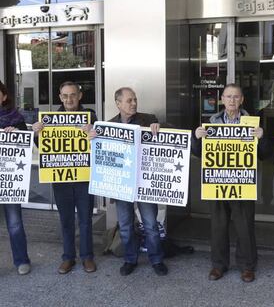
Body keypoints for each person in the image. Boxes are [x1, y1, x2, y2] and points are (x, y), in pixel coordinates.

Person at [192, 83, 271, 282]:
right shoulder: (211, 122)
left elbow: (265, 155)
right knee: (218, 227)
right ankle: (219, 265)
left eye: (236, 97)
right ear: (222, 100)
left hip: (242, 182)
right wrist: (197, 138)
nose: (232, 100)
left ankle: (247, 266)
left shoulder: (253, 123)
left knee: (245, 227)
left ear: (242, 100)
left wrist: (262, 138)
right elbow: (199, 153)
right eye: (228, 96)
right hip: (217, 182)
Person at [32, 81, 97, 274]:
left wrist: (93, 132)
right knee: (66, 220)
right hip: (61, 178)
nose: (69, 99)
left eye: (73, 95)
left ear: (80, 96)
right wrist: (36, 133)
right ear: (60, 98)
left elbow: (98, 141)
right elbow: (41, 146)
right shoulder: (50, 119)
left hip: (84, 177)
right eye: (65, 96)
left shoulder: (90, 116)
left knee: (85, 219)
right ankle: (68, 258)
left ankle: (87, 257)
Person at [106, 87, 168, 277]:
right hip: (122, 184)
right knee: (125, 225)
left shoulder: (149, 119)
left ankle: (156, 260)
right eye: (129, 100)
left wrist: (161, 128)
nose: (133, 103)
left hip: (144, 183)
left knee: (150, 224)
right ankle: (130, 259)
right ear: (118, 104)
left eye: (135, 100)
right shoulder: (108, 125)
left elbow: (171, 133)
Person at [0, 81, 31, 275]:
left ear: (4, 96)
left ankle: (21, 260)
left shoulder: (15, 118)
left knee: (14, 222)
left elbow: (27, 142)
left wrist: (17, 133)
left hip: (10, 180)